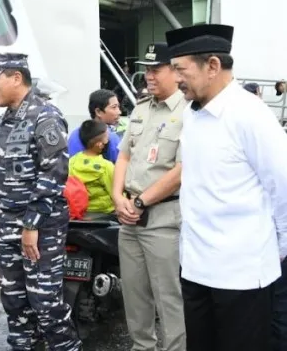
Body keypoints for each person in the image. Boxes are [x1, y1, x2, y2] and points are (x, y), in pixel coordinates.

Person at [166, 23, 287, 351]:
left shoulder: (251, 116)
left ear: (213, 66)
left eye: (180, 69)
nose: (175, 79)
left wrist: (278, 251)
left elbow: (282, 187)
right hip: (195, 267)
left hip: (242, 274)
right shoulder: (193, 114)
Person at [0, 53, 82, 351]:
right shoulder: (1, 124)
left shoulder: (45, 117)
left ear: (16, 78)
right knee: (14, 303)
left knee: (46, 305)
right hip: (8, 224)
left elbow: (55, 173)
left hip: (41, 227)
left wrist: (31, 224)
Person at [112, 42, 187, 351]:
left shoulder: (188, 110)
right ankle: (142, 347)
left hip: (162, 219)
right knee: (134, 294)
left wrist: (140, 202)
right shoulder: (141, 108)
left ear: (176, 71)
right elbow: (124, 157)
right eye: (147, 69)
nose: (149, 76)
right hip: (129, 216)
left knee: (168, 297)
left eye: (156, 70)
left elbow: (182, 169)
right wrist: (118, 198)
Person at [68, 120, 114, 215]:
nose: (108, 141)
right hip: (104, 214)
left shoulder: (72, 161)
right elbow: (115, 193)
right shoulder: (106, 166)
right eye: (107, 138)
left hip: (78, 212)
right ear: (100, 144)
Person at [68, 89, 122, 163]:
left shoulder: (75, 134)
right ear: (98, 112)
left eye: (118, 107)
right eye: (114, 107)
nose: (119, 112)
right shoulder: (111, 137)